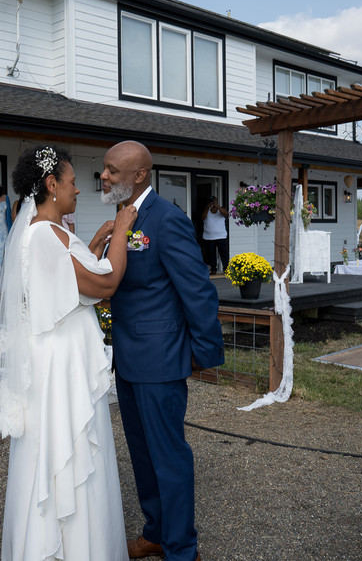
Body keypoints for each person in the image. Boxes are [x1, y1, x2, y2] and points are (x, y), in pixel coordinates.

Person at [0, 145, 137, 561]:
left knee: (52, 453)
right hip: (60, 364)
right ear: (51, 185)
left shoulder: (45, 230)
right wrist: (121, 230)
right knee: (66, 453)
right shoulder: (44, 234)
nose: (78, 191)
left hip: (54, 355)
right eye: (71, 183)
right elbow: (103, 287)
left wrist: (96, 241)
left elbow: (63, 278)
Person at [100, 141, 224, 561]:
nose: (104, 176)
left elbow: (198, 291)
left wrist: (202, 352)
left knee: (169, 458)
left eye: (112, 171)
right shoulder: (123, 217)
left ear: (138, 176)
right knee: (141, 453)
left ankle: (183, 549)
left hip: (161, 360)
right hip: (129, 360)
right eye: (104, 169)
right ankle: (155, 532)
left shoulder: (166, 219)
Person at [200, 195, 228, 275]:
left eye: (213, 201)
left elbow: (225, 213)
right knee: (211, 254)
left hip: (221, 236)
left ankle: (226, 268)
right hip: (209, 237)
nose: (212, 203)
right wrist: (207, 208)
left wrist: (217, 206)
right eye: (211, 201)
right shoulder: (206, 210)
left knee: (223, 253)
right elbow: (203, 217)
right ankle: (213, 269)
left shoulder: (221, 209)